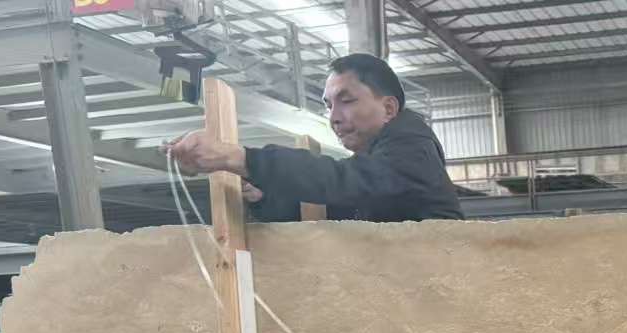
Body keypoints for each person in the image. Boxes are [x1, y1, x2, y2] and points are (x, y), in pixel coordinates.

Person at [165, 53, 463, 223]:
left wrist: (242, 158)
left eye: (347, 100)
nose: (334, 117)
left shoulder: (413, 150)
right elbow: (331, 210)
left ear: (388, 109)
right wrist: (264, 197)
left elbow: (342, 181)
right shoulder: (376, 160)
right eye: (328, 105)